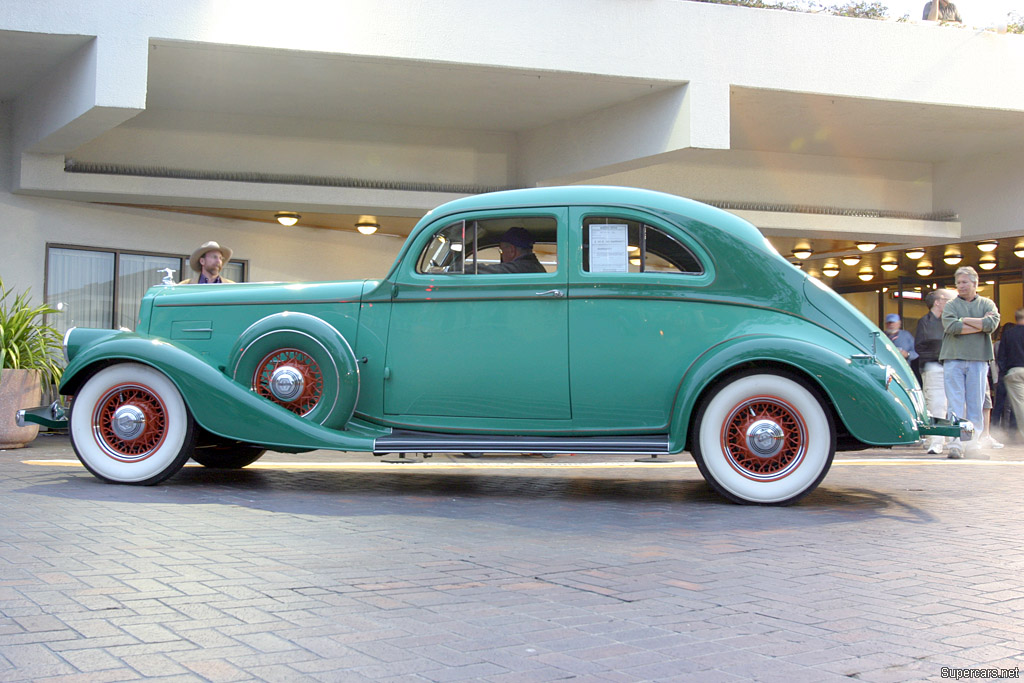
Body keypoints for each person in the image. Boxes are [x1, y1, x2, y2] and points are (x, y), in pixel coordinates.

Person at [940, 266, 999, 459]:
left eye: (964, 282)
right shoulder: (951, 305)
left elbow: (991, 325)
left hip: (979, 359)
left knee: (976, 403)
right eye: (958, 283)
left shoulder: (987, 303)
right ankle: (956, 444)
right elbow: (951, 326)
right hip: (953, 358)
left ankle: (972, 444)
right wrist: (979, 324)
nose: (960, 286)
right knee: (955, 403)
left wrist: (964, 320)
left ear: (975, 283)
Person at [915, 289, 954, 454]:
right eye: (946, 299)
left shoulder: (949, 320)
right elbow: (920, 346)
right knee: (937, 404)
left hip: (950, 366)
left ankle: (949, 439)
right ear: (937, 302)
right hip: (934, 366)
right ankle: (936, 440)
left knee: (952, 404)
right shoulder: (924, 322)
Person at [997, 310, 1024, 443]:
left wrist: (1004, 372)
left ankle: (1018, 434)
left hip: (1015, 372)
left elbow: (1001, 356)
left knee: (1019, 405)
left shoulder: (1008, 334)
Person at [474, 228, 546, 274]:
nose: (501, 255)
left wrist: (463, 269)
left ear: (512, 250)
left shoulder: (520, 268)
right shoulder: (533, 265)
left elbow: (486, 271)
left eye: (501, 250)